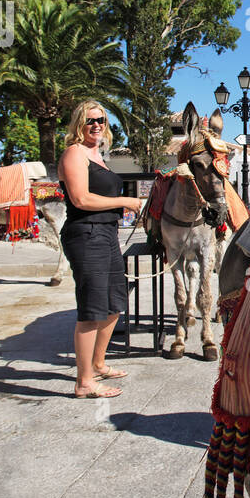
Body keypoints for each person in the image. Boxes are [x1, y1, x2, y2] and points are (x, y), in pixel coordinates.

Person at [57, 101, 143, 399]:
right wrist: (125, 202)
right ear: (79, 124)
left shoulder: (99, 157)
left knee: (115, 301)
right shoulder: (74, 153)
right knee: (92, 309)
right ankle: (84, 383)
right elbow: (80, 199)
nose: (97, 125)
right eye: (90, 120)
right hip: (85, 233)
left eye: (101, 120)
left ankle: (98, 362)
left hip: (106, 232)